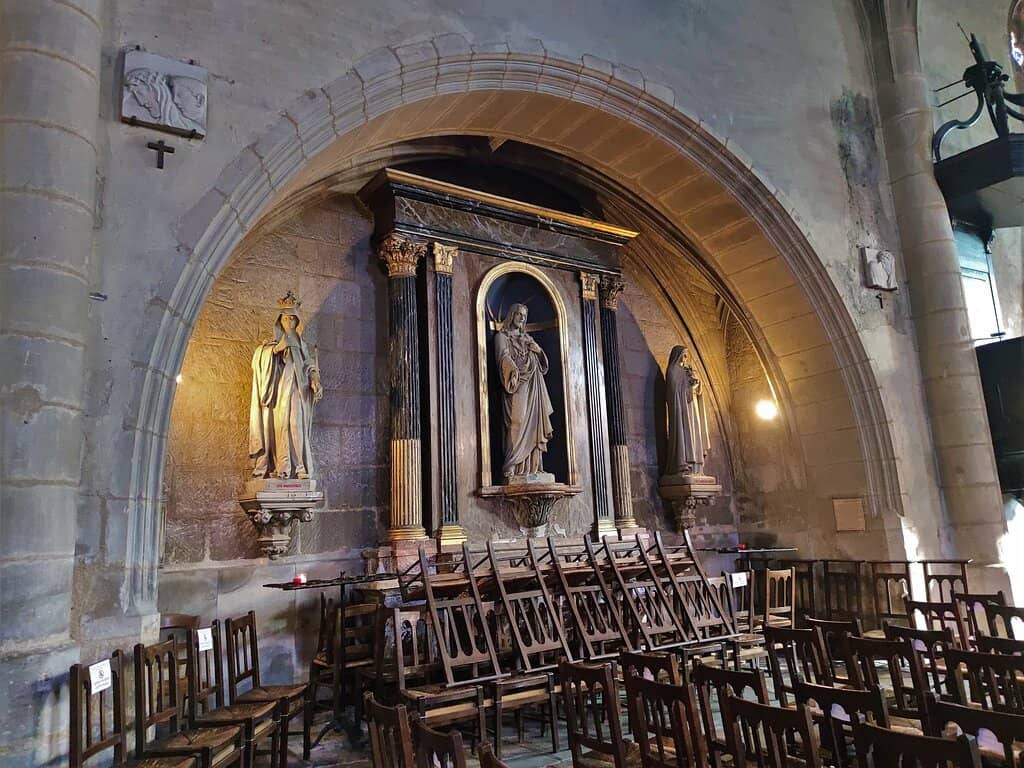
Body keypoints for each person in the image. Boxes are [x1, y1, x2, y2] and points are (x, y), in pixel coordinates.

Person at [249, 292, 322, 479]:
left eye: (292, 319)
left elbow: (309, 365)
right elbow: (260, 360)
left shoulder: (303, 346)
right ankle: (282, 467)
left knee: (296, 426)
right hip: (279, 392)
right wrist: (274, 350)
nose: (289, 322)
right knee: (280, 427)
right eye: (285, 318)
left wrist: (315, 380)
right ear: (280, 321)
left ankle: (299, 467)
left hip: (298, 390)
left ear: (297, 322)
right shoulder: (271, 345)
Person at [494, 303, 555, 481]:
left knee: (535, 423)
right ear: (511, 315)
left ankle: (534, 467)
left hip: (533, 385)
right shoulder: (501, 336)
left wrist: (538, 351)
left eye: (524, 315)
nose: (521, 318)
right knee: (517, 421)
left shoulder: (527, 338)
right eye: (519, 314)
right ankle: (512, 464)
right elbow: (502, 356)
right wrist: (512, 369)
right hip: (515, 383)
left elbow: (542, 363)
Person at [664, 344, 710, 477]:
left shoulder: (686, 371)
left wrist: (697, 385)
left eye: (686, 355)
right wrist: (689, 388)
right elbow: (674, 393)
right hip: (681, 410)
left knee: (694, 433)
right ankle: (683, 463)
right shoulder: (672, 371)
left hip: (692, 409)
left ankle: (695, 467)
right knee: (684, 434)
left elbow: (697, 392)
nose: (685, 358)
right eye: (683, 355)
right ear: (677, 356)